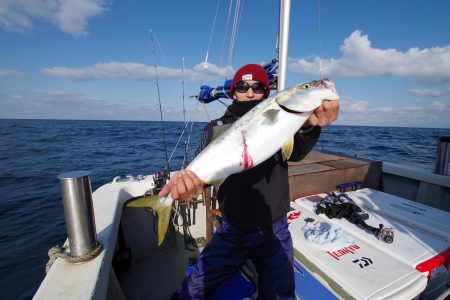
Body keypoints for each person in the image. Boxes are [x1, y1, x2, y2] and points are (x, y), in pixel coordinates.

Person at [161, 64, 339, 299]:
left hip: (274, 225)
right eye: (243, 86)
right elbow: (206, 172)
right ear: (233, 91)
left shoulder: (285, 121)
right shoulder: (215, 128)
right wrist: (190, 184)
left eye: (258, 87)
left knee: (281, 291)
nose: (250, 91)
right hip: (233, 226)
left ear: (267, 93)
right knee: (196, 287)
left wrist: (311, 126)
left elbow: (295, 153)